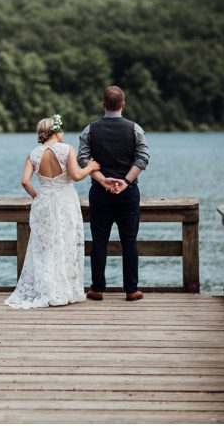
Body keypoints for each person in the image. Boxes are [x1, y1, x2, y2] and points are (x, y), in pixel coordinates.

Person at [7, 115, 100, 309]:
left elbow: (24, 181)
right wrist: (90, 167)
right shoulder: (67, 150)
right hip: (65, 202)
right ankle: (64, 291)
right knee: (65, 243)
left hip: (44, 202)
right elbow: (75, 175)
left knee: (45, 246)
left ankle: (47, 289)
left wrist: (36, 196)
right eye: (61, 129)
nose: (63, 132)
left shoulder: (33, 153)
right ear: (55, 132)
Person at [78, 86, 150, 301]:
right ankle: (131, 290)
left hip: (100, 193)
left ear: (103, 105)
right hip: (128, 193)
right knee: (129, 240)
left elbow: (83, 159)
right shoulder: (135, 129)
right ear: (123, 104)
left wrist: (102, 180)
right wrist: (126, 181)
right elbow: (143, 158)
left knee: (99, 240)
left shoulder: (89, 130)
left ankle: (98, 289)